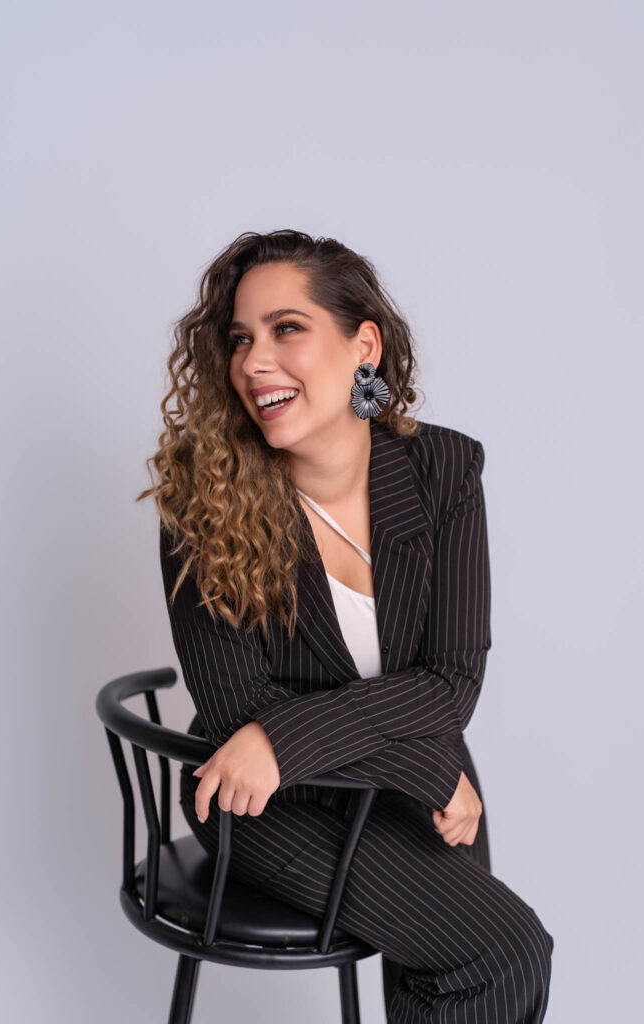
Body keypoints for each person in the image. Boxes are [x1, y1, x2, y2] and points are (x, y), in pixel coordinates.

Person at [140, 229, 555, 1022]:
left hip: (409, 779)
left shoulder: (443, 471)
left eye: (286, 328)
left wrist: (308, 741)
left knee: (466, 974)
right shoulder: (203, 498)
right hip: (269, 804)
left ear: (362, 346)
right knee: (503, 952)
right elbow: (235, 709)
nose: (253, 361)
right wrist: (423, 766)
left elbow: (450, 684)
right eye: (240, 339)